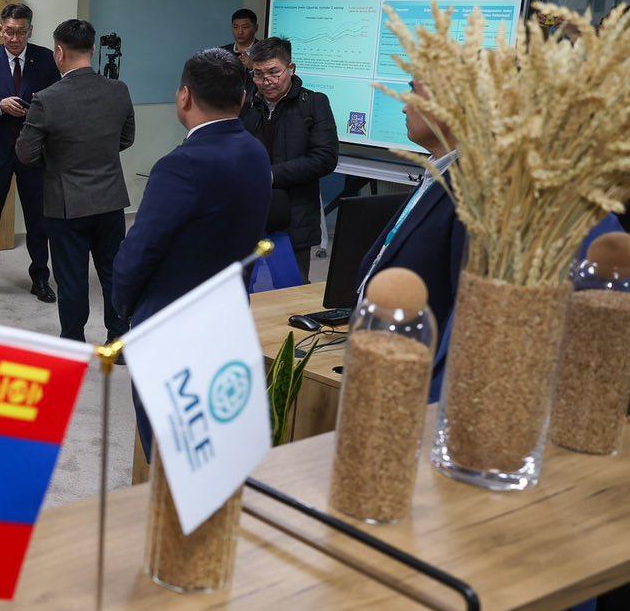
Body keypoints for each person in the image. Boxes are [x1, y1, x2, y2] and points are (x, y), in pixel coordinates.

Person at [113, 49, 271, 457]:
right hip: (228, 318)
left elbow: (141, 249)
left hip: (171, 329)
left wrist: (124, 307)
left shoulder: (180, 165)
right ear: (243, 99)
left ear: (184, 97)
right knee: (205, 450)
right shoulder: (256, 152)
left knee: (168, 454)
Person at [15, 19, 136, 344]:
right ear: (93, 50)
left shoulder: (46, 99)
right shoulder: (119, 90)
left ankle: (73, 341)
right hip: (110, 200)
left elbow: (26, 153)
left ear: (58, 52)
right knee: (112, 273)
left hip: (66, 203)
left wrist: (58, 159)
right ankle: (118, 340)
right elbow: (126, 138)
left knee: (71, 278)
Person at [354, 80, 465, 396]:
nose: (404, 106)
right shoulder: (436, 174)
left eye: (415, 92)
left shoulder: (468, 191)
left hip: (414, 381)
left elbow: (461, 305)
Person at [0, 3, 60, 303]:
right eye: (9, 32)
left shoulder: (45, 59)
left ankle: (40, 278)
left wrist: (37, 111)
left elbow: (57, 101)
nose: (14, 38)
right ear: (0, 30)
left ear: (30, 31)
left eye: (21, 32)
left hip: (34, 152)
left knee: (38, 220)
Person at [240, 37, 339, 281]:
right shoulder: (246, 105)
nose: (266, 81)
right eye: (258, 74)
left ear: (291, 68)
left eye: (274, 72)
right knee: (240, 289)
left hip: (294, 217)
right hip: (249, 215)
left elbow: (325, 158)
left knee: (291, 289)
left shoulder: (313, 103)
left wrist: (270, 175)